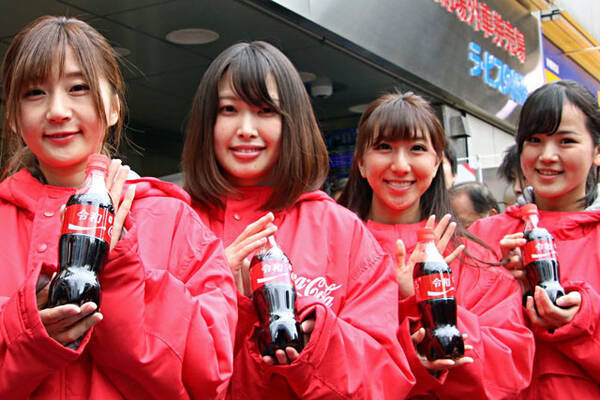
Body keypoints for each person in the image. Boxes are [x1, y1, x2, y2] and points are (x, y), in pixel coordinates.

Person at [0, 16, 236, 398]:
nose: (57, 110)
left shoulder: (173, 221)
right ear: (13, 116)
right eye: (35, 92)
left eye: (78, 88)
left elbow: (206, 378)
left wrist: (119, 273)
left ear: (113, 107)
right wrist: (25, 328)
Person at [181, 41, 414, 399]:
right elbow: (146, 358)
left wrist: (317, 339)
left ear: (292, 121)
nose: (246, 129)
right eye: (229, 109)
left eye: (265, 111)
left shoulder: (342, 231)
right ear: (207, 122)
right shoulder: (176, 221)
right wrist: (219, 292)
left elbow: (384, 377)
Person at [337, 92, 534, 398]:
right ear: (361, 162)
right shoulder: (333, 247)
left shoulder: (472, 255)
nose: (400, 165)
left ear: (437, 162)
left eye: (417, 148)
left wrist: (430, 306)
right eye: (384, 147)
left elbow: (509, 365)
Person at [469, 80, 600, 399]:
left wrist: (583, 319)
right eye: (535, 140)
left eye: (566, 141)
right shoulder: (484, 236)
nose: (547, 155)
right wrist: (500, 282)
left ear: (597, 150)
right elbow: (459, 344)